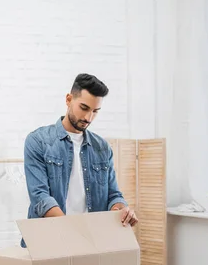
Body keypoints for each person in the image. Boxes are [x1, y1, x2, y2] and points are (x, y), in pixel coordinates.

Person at [23, 73, 138, 232]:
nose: (88, 117)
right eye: (84, 108)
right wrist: (74, 232)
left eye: (95, 111)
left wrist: (121, 210)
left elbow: (113, 195)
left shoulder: (102, 148)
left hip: (93, 238)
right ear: (68, 100)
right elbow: (40, 197)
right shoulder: (38, 141)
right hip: (50, 238)